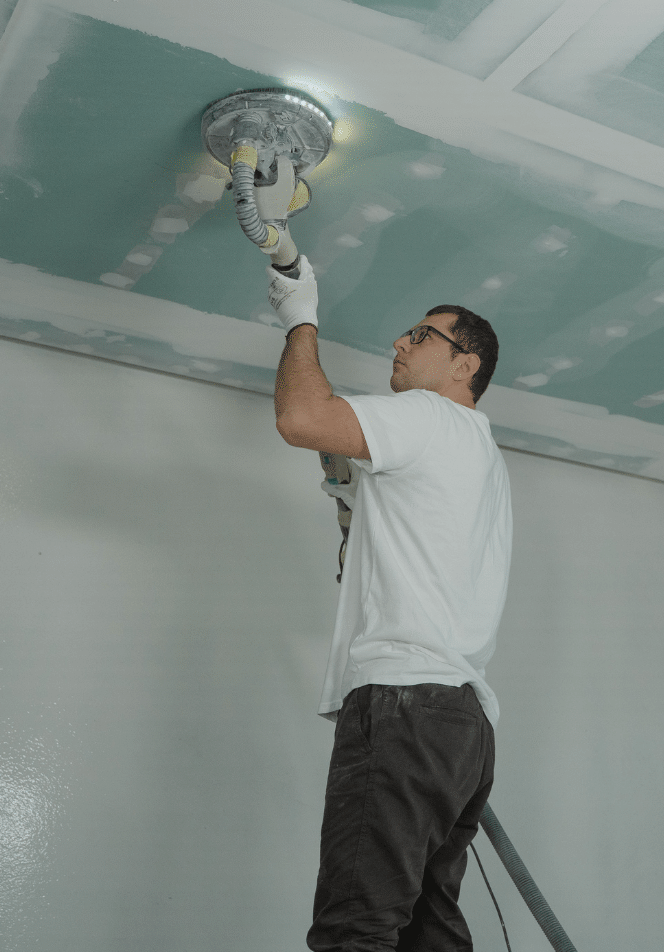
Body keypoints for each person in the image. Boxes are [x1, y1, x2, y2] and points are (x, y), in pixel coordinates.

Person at [266, 255, 513, 952]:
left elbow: (303, 417)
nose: (400, 344)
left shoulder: (428, 417)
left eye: (421, 335)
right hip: (462, 725)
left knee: (358, 928)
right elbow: (382, 530)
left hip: (406, 706)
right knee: (426, 934)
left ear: (466, 367)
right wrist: (350, 496)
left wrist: (299, 317)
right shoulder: (478, 454)